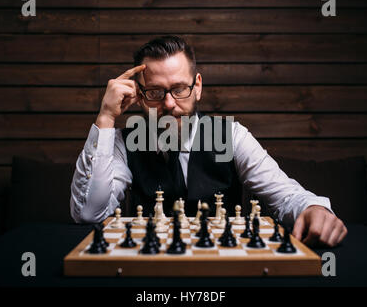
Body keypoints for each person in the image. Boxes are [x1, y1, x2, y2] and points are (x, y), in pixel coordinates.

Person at [70, 35, 347, 247]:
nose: (169, 104)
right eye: (155, 91)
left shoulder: (232, 136)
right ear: (139, 96)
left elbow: (285, 195)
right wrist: (105, 116)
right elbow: (89, 214)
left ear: (197, 86)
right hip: (150, 266)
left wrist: (313, 207)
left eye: (179, 88)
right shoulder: (124, 141)